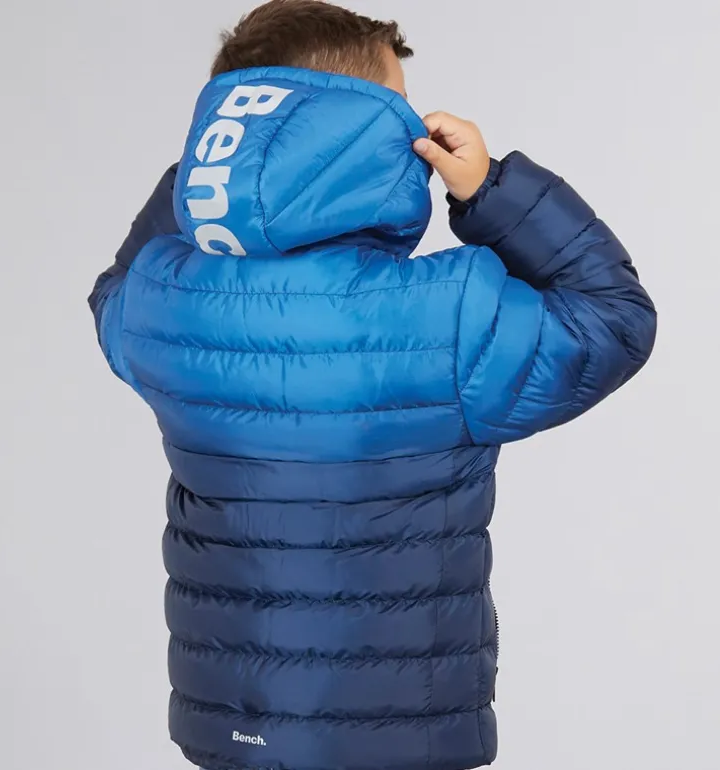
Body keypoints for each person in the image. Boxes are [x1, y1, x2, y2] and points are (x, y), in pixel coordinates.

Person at [88, 1, 657, 768]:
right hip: (400, 741)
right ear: (351, 135)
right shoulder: (444, 311)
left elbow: (114, 290)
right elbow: (616, 321)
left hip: (226, 732)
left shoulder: (166, 301)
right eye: (399, 110)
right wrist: (491, 191)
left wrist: (206, 183)